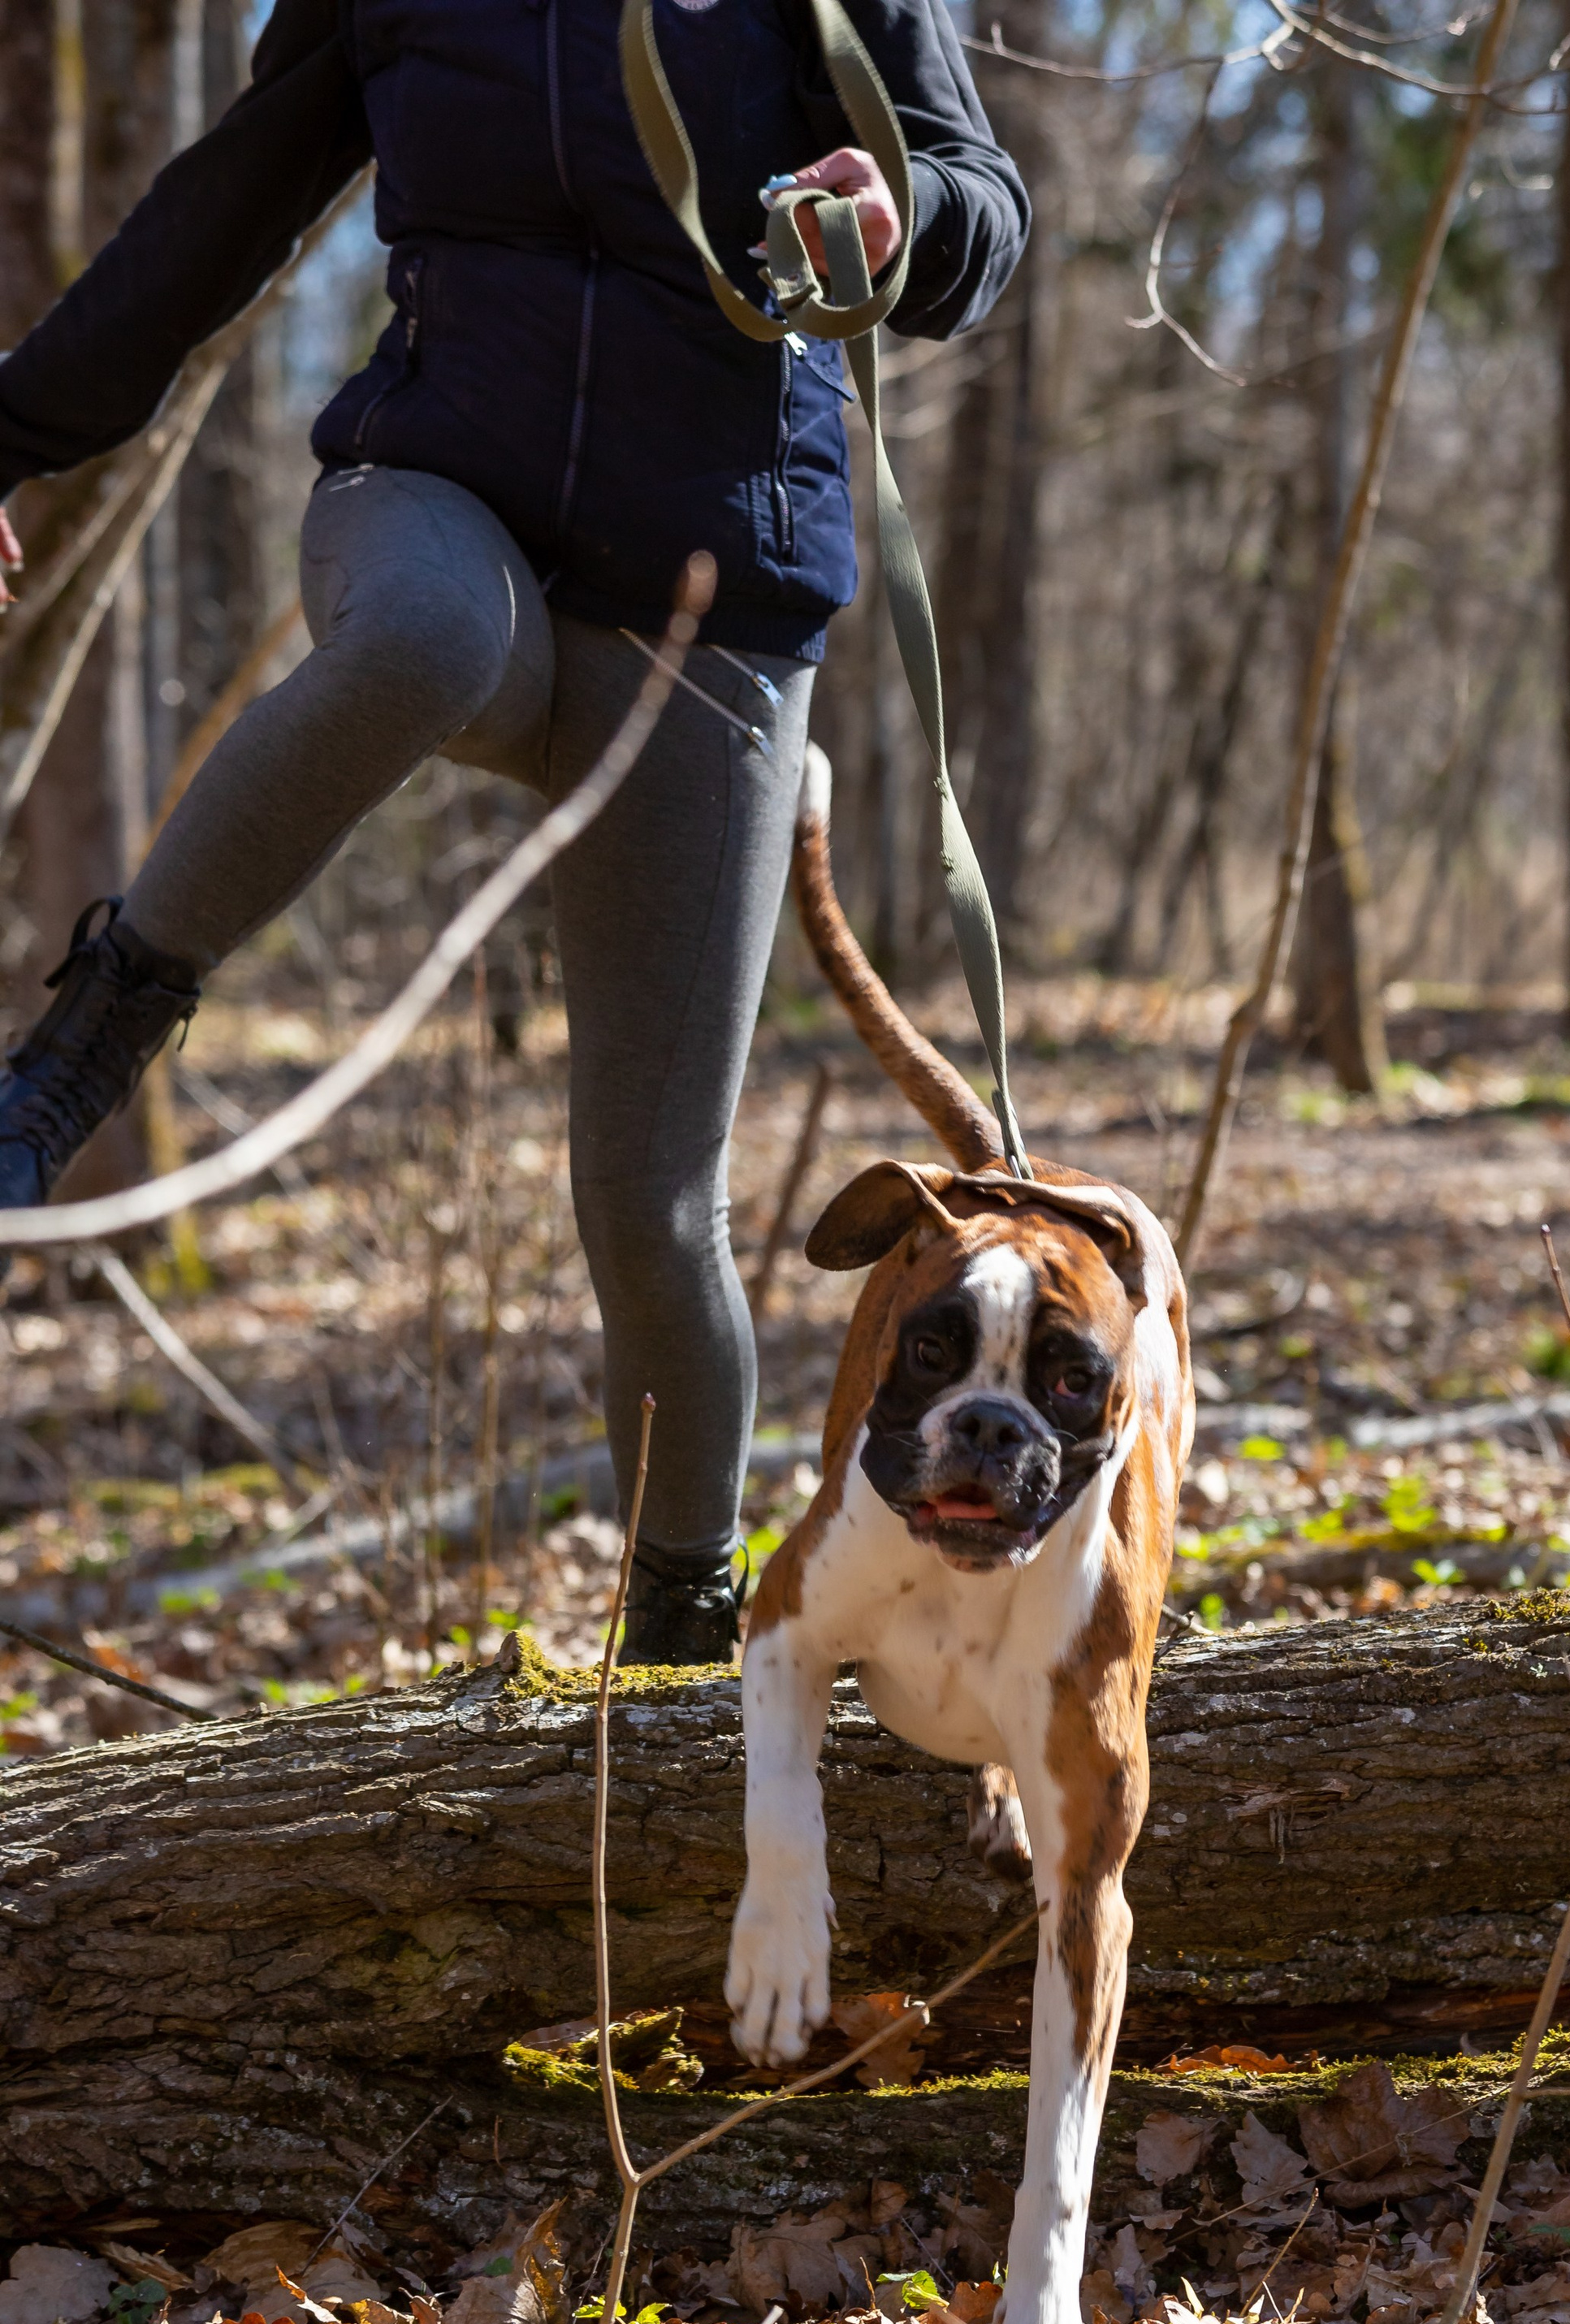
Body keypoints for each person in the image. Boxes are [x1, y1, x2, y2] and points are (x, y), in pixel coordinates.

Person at [0, 0, 1027, 1664]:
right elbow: (221, 209)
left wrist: (900, 221)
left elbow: (982, 203)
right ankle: (87, 1041)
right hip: (431, 500)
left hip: (710, 602)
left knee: (649, 1207)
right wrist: (15, 434)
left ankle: (682, 1640)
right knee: (425, 640)